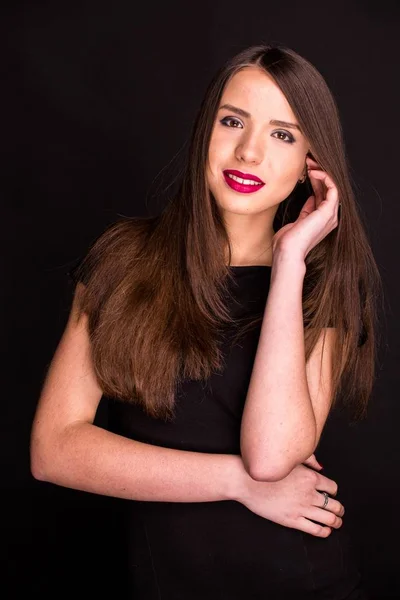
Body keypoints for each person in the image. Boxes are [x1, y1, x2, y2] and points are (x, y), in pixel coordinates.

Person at [30, 43, 381, 599]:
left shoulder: (322, 287)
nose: (249, 152)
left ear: (310, 167)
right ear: (205, 131)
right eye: (233, 121)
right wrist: (236, 484)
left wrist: (289, 262)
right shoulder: (123, 260)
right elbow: (53, 450)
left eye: (282, 135)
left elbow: (270, 458)